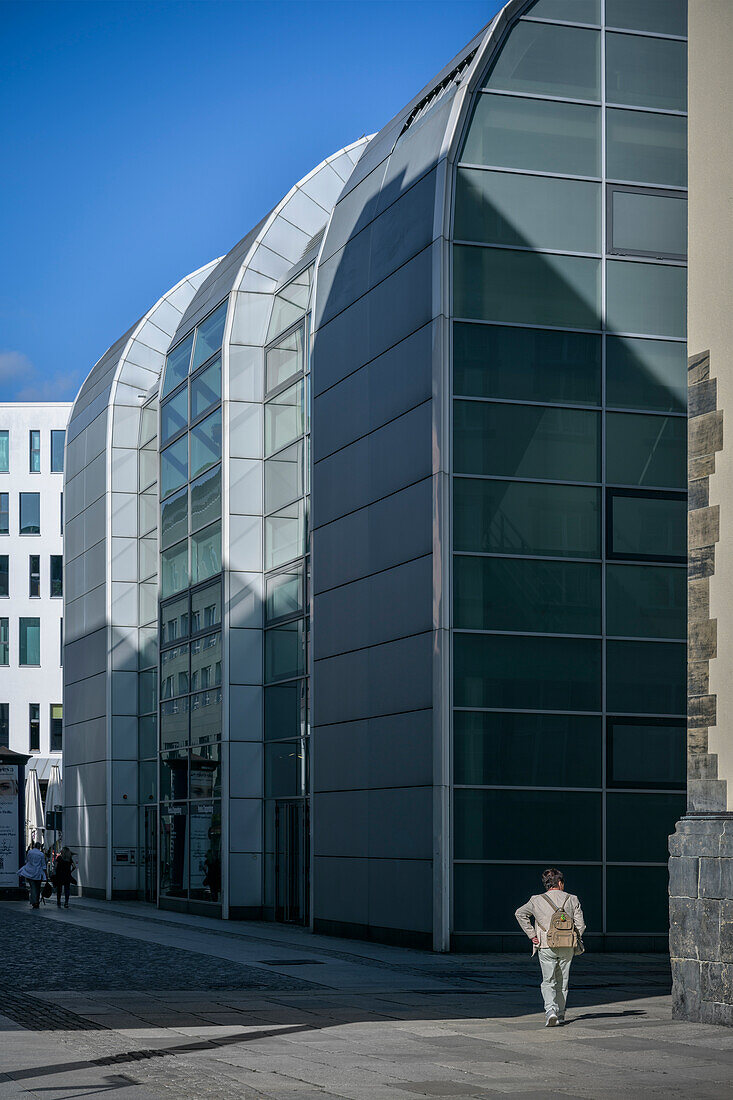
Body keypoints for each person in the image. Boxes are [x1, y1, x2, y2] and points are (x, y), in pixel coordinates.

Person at [515, 867, 586, 1028]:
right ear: (560, 882)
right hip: (567, 946)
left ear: (546, 884)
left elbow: (520, 913)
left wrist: (532, 935)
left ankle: (550, 1011)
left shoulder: (536, 900)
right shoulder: (572, 898)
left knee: (548, 980)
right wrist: (574, 938)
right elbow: (581, 925)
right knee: (563, 980)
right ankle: (561, 1013)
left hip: (546, 944)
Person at [18, 841, 47, 909]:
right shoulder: (41, 854)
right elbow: (43, 865)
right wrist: (46, 875)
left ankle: (34, 902)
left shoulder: (30, 852)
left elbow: (27, 861)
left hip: (30, 872)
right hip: (38, 873)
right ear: (39, 847)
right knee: (37, 888)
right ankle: (36, 901)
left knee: (33, 887)